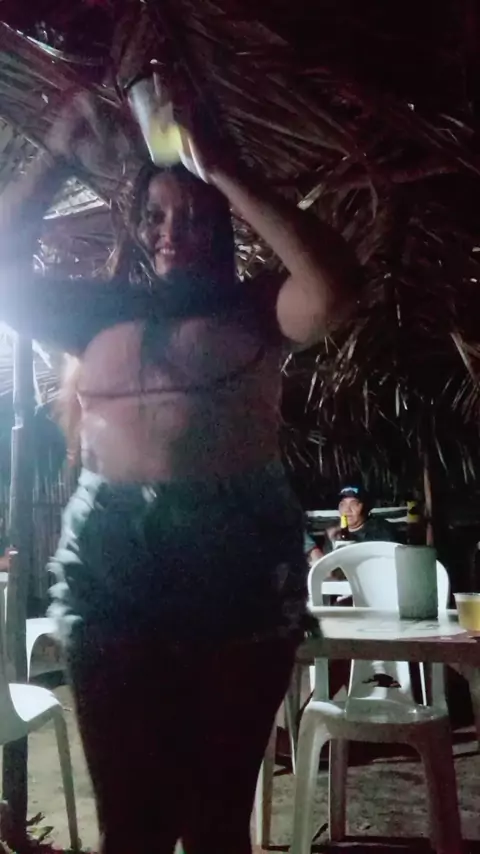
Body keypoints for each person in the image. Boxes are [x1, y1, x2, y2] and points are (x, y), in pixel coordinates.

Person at [0, 91, 358, 854]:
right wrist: (57, 151)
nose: (172, 232)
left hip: (236, 557)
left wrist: (220, 168)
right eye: (157, 216)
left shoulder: (258, 311)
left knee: (215, 821)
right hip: (110, 564)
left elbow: (334, 285)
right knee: (132, 826)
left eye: (193, 216)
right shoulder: (96, 312)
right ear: (136, 226)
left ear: (221, 224)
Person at [325, 484, 396, 552]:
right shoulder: (333, 533)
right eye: (343, 504)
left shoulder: (381, 530)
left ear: (366, 507)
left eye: (354, 504)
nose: (347, 510)